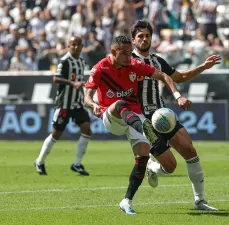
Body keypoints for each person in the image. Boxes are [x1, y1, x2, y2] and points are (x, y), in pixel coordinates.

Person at [84, 36, 191, 215]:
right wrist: (93, 105)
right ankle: (147, 131)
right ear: (113, 52)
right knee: (119, 103)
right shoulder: (100, 68)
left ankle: (126, 201)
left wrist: (177, 95)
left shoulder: (134, 66)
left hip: (135, 116)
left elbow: (163, 75)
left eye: (129, 52)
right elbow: (86, 96)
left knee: (168, 165)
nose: (128, 57)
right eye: (124, 54)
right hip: (112, 117)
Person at [131, 20, 221, 211]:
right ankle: (153, 167)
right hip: (143, 119)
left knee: (190, 150)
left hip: (162, 115)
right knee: (170, 167)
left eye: (147, 36)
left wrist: (202, 67)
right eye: (141, 36)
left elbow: (178, 77)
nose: (145, 39)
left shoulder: (157, 60)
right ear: (133, 40)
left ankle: (200, 201)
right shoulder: (127, 62)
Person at [34, 36, 91, 176]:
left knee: (87, 130)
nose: (75, 47)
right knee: (56, 134)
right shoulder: (65, 61)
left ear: (82, 46)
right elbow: (55, 79)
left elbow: (79, 81)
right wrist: (72, 84)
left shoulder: (82, 62)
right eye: (73, 45)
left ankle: (77, 164)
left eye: (78, 45)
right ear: (69, 46)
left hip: (76, 103)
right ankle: (39, 161)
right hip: (64, 104)